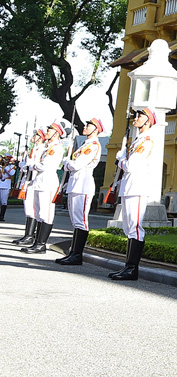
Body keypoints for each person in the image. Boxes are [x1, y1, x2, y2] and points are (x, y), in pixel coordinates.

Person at [112, 107, 159, 281]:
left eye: (140, 116)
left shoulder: (146, 141)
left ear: (148, 121)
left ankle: (132, 269)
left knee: (135, 228)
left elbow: (131, 166)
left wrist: (121, 159)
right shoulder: (136, 140)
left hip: (138, 188)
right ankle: (127, 267)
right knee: (128, 228)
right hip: (129, 188)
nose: (136, 118)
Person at [57, 116, 104, 265]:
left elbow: (77, 164)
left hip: (83, 186)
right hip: (75, 184)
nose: (85, 127)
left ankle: (77, 254)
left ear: (96, 129)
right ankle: (73, 252)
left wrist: (67, 162)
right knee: (75, 221)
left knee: (81, 221)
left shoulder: (93, 145)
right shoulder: (85, 144)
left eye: (89, 126)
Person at [21, 121, 69, 255]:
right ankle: (37, 242)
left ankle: (41, 244)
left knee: (46, 214)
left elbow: (45, 166)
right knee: (39, 214)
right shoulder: (48, 148)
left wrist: (33, 165)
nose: (47, 132)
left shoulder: (56, 148)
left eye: (50, 130)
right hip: (40, 182)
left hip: (48, 182)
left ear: (56, 133)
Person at [12, 131, 41, 245]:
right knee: (28, 209)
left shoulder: (42, 149)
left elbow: (36, 165)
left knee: (32, 209)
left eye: (36, 135)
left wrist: (29, 164)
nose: (33, 137)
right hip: (27, 179)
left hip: (33, 180)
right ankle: (27, 234)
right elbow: (23, 165)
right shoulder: (34, 149)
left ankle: (30, 235)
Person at [0, 156, 14, 221]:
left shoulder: (11, 167)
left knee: (4, 202)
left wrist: (5, 167)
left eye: (7, 160)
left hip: (6, 185)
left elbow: (12, 173)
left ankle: (2, 216)